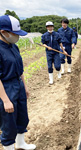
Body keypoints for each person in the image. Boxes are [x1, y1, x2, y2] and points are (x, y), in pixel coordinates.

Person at [0, 15, 36, 150]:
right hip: (5, 87)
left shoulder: (13, 46)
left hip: (18, 84)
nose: (17, 37)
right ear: (3, 32)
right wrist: (5, 100)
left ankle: (21, 143)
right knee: (8, 122)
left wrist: (24, 87)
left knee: (22, 116)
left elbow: (20, 70)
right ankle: (9, 147)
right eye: (15, 33)